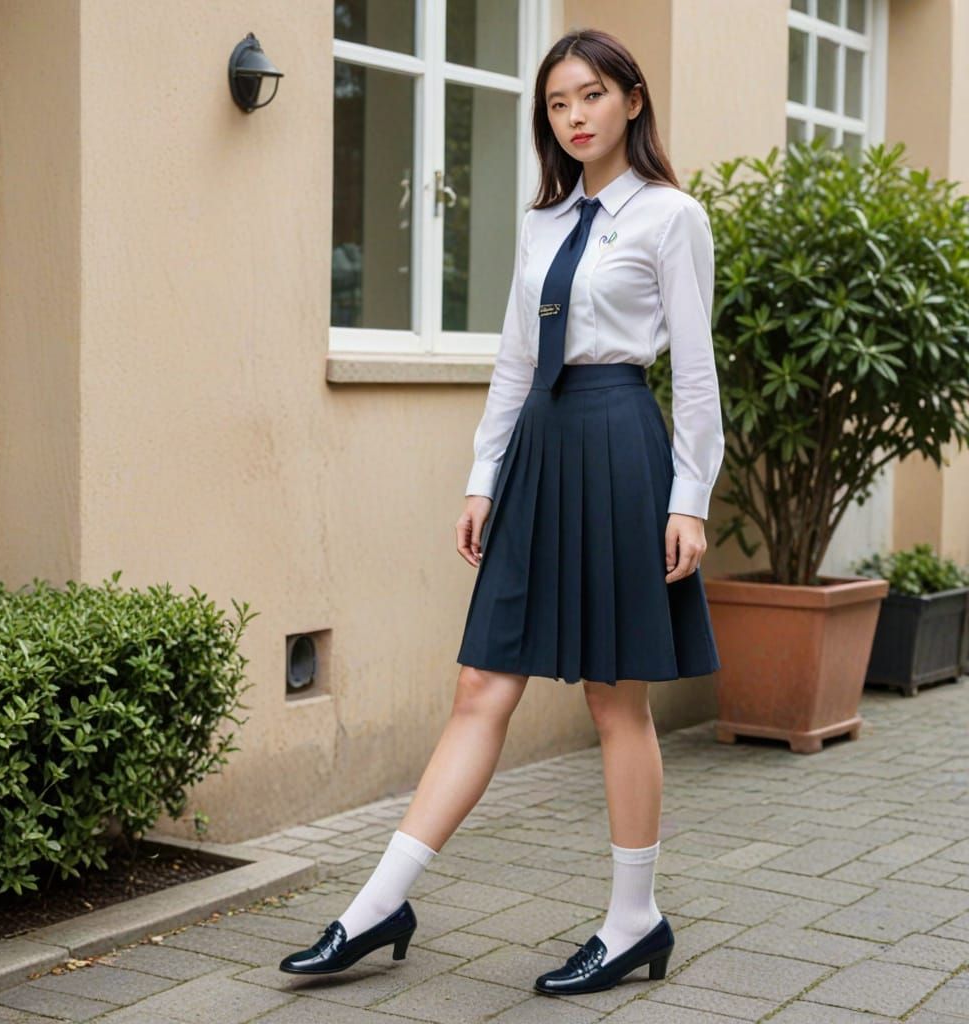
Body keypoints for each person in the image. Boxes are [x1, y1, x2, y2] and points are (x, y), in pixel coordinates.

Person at [278, 26, 724, 996]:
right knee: (482, 681)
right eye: (557, 103)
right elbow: (516, 360)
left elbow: (696, 372)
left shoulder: (670, 216)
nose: (574, 117)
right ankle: (377, 906)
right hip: (539, 450)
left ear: (632, 101)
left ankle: (634, 920)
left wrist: (689, 499)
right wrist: (484, 476)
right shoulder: (543, 222)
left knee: (615, 695)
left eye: (591, 96)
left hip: (620, 447)